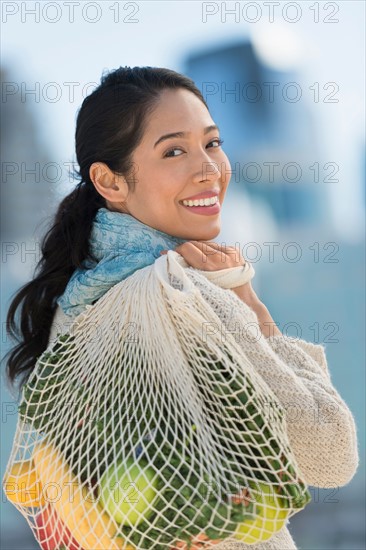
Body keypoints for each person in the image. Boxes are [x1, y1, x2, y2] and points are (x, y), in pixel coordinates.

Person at [5, 66, 359, 550]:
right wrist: (247, 299)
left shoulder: (78, 298)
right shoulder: (186, 291)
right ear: (109, 181)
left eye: (212, 143)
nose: (209, 169)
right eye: (174, 150)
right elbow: (330, 455)